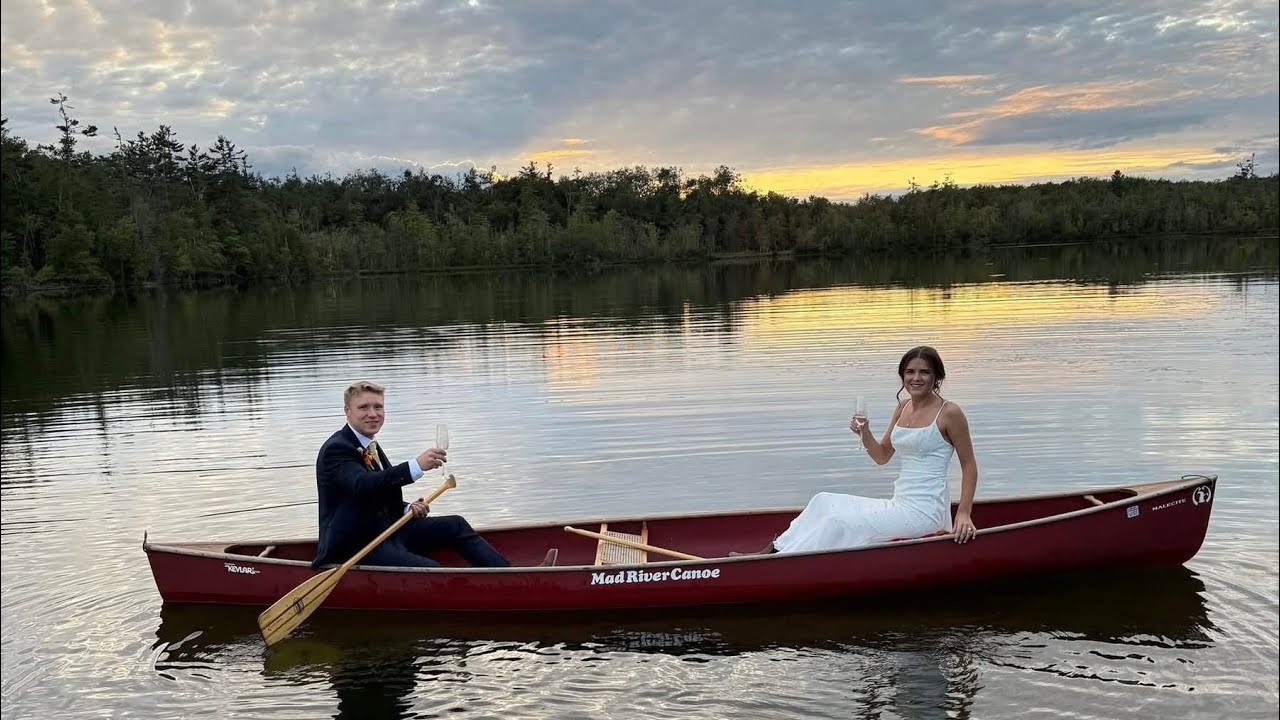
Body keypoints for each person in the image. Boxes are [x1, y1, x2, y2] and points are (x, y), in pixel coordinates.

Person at [743, 346, 979, 555]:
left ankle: (779, 563)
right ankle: (774, 551)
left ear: (937, 376)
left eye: (924, 372)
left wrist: (963, 513)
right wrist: (864, 433)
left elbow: (969, 466)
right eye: (910, 372)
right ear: (903, 376)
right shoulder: (903, 407)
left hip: (925, 513)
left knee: (837, 522)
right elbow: (882, 456)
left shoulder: (949, 413)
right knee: (822, 501)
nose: (916, 378)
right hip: (900, 503)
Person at [311, 380, 515, 569]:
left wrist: (406, 508)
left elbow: (376, 493)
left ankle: (509, 575)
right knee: (431, 570)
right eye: (364, 407)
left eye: (378, 407)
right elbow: (362, 484)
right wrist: (416, 465)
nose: (373, 414)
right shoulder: (337, 449)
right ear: (347, 411)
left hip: (386, 532)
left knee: (455, 524)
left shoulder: (369, 443)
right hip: (355, 547)